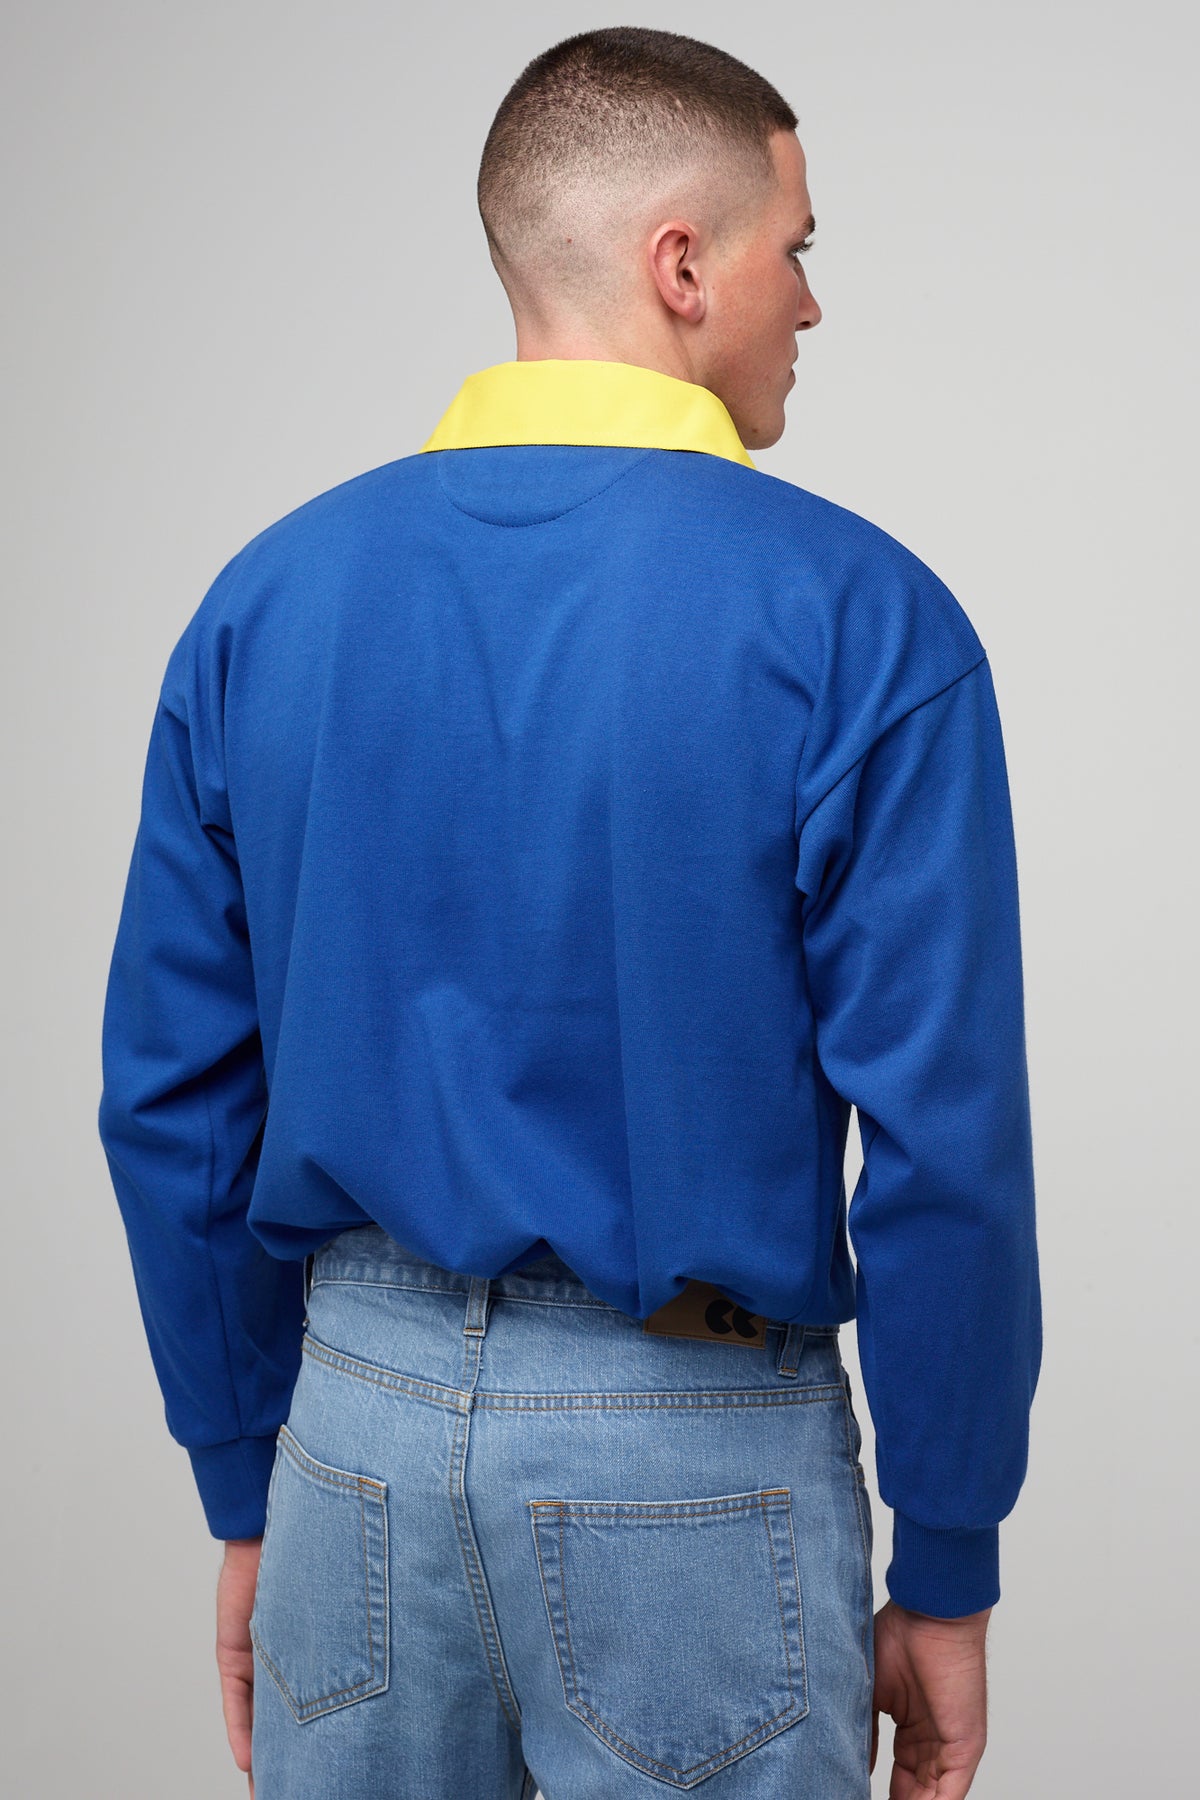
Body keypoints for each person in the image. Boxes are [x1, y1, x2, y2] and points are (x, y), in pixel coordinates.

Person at [97, 25, 1042, 1800]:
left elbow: (167, 1098)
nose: (813, 307)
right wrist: (954, 1560)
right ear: (684, 265)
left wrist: (248, 1475)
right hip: (693, 1451)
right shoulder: (865, 620)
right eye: (800, 250)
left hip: (347, 1441)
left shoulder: (263, 606)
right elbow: (945, 1145)